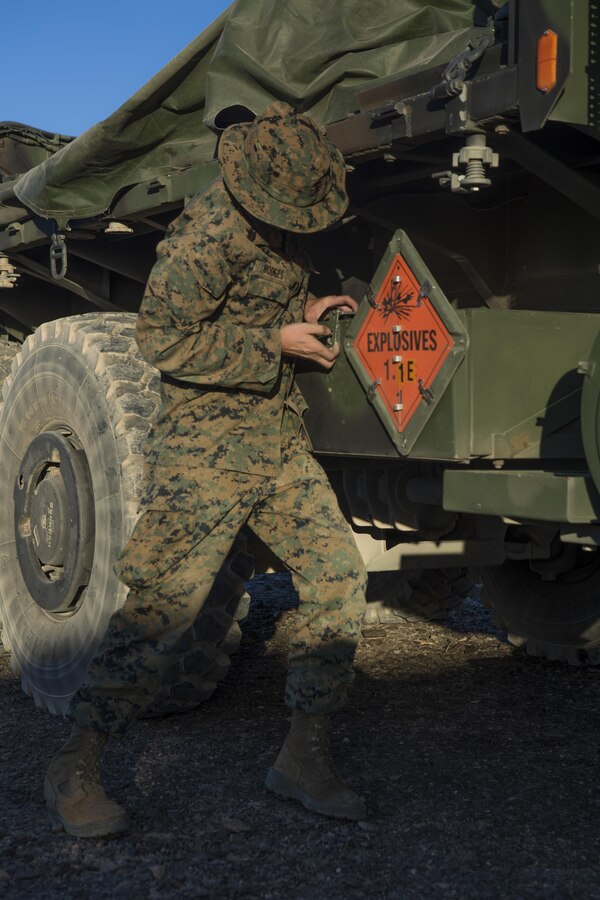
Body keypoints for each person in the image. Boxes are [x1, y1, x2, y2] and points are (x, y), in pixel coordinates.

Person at [44, 101, 368, 838]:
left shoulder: (276, 218)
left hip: (277, 440)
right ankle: (75, 767)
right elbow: (161, 340)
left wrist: (305, 307)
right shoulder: (205, 234)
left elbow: (258, 302)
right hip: (206, 451)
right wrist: (273, 343)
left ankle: (302, 760)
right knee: (164, 615)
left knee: (339, 578)